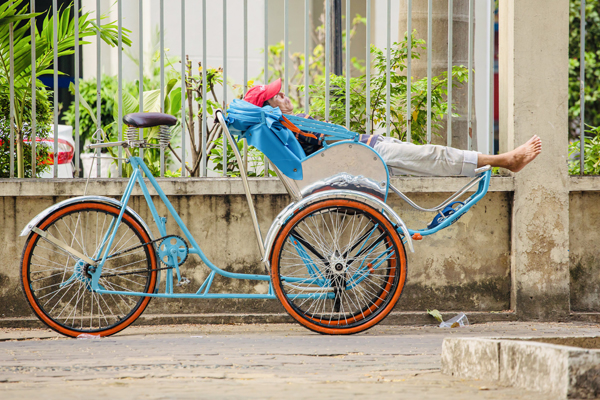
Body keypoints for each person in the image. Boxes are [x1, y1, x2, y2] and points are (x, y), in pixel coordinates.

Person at [243, 79, 542, 177]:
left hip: (365, 146)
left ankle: (487, 165)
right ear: (269, 106)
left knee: (427, 157)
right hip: (362, 154)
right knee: (432, 155)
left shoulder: (290, 125)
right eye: (277, 96)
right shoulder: (286, 127)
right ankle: (503, 161)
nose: (285, 95)